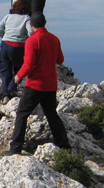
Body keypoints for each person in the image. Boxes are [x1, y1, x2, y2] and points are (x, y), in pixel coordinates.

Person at [5, 13, 70, 155]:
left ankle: (15, 148)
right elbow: (60, 60)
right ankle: (64, 145)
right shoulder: (54, 39)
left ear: (31, 25)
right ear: (45, 23)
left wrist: (18, 76)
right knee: (52, 114)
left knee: (22, 114)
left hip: (35, 84)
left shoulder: (32, 40)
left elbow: (29, 64)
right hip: (51, 85)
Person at [0, 0, 33, 104]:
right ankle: (12, 87)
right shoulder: (26, 18)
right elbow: (30, 32)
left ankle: (5, 95)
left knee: (5, 71)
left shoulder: (7, 17)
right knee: (19, 68)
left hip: (5, 44)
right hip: (19, 46)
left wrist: (5, 37)